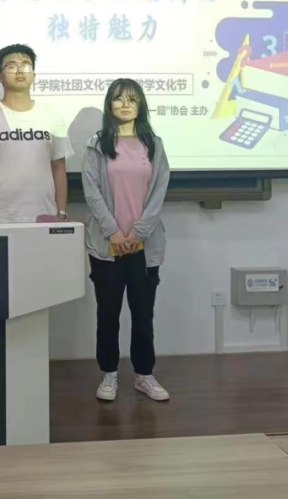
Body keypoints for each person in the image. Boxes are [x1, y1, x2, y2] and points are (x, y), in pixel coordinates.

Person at [82, 78, 171, 404]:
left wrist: (138, 233)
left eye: (132, 99)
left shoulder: (153, 144)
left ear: (140, 105)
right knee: (108, 315)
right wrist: (114, 233)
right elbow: (91, 191)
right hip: (107, 246)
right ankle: (109, 374)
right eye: (119, 99)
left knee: (143, 315)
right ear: (110, 104)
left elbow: (159, 190)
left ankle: (144, 375)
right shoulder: (97, 144)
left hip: (144, 247)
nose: (125, 104)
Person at [0, 44, 72, 224]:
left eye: (26, 65)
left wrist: (61, 213)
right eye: (12, 66)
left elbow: (59, 168)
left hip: (42, 216)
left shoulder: (53, 117)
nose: (20, 70)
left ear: (34, 75)